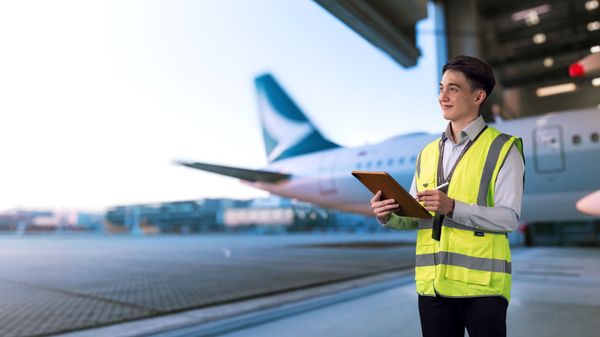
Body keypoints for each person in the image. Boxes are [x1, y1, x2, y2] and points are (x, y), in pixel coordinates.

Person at [370, 55, 524, 337]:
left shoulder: (504, 149)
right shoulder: (427, 153)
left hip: (482, 287)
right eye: (441, 88)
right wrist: (389, 215)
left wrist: (453, 207)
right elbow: (418, 216)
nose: (443, 96)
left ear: (478, 96)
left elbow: (508, 219)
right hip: (433, 287)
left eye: (453, 88)